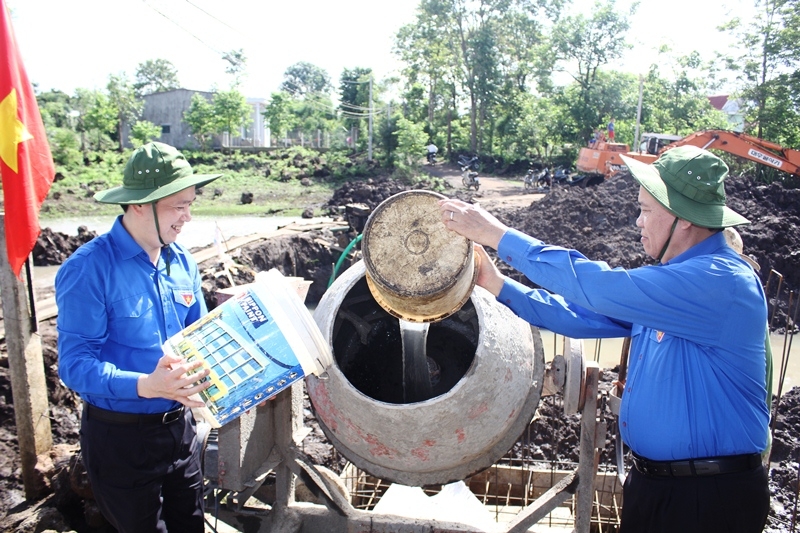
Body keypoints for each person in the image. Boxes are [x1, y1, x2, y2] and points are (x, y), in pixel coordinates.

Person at [439, 145, 770, 533]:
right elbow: (579, 316)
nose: (637, 222)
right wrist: (496, 284)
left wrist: (496, 234)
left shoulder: (719, 281)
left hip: (707, 498)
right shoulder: (672, 286)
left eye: (646, 210)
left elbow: (596, 287)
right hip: (657, 486)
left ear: (683, 219)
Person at [56, 142, 221, 532]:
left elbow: (200, 338)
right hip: (120, 439)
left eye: (190, 204)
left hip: (180, 432)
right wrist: (147, 385)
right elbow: (75, 366)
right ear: (139, 205)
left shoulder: (181, 262)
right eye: (179, 205)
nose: (188, 217)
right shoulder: (89, 269)